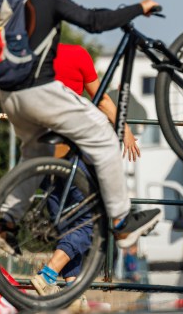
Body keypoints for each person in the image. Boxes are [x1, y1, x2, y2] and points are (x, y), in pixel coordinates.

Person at [0, 0, 161, 294]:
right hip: (36, 90)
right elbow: (93, 20)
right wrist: (138, 8)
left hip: (8, 97)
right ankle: (121, 220)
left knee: (33, 153)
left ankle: (6, 223)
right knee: (102, 134)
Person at [29, 42, 142, 297]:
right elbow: (101, 100)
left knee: (65, 222)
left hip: (36, 153)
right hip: (68, 151)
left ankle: (71, 287)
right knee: (89, 218)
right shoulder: (75, 54)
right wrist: (125, 130)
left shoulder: (29, 54)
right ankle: (48, 273)